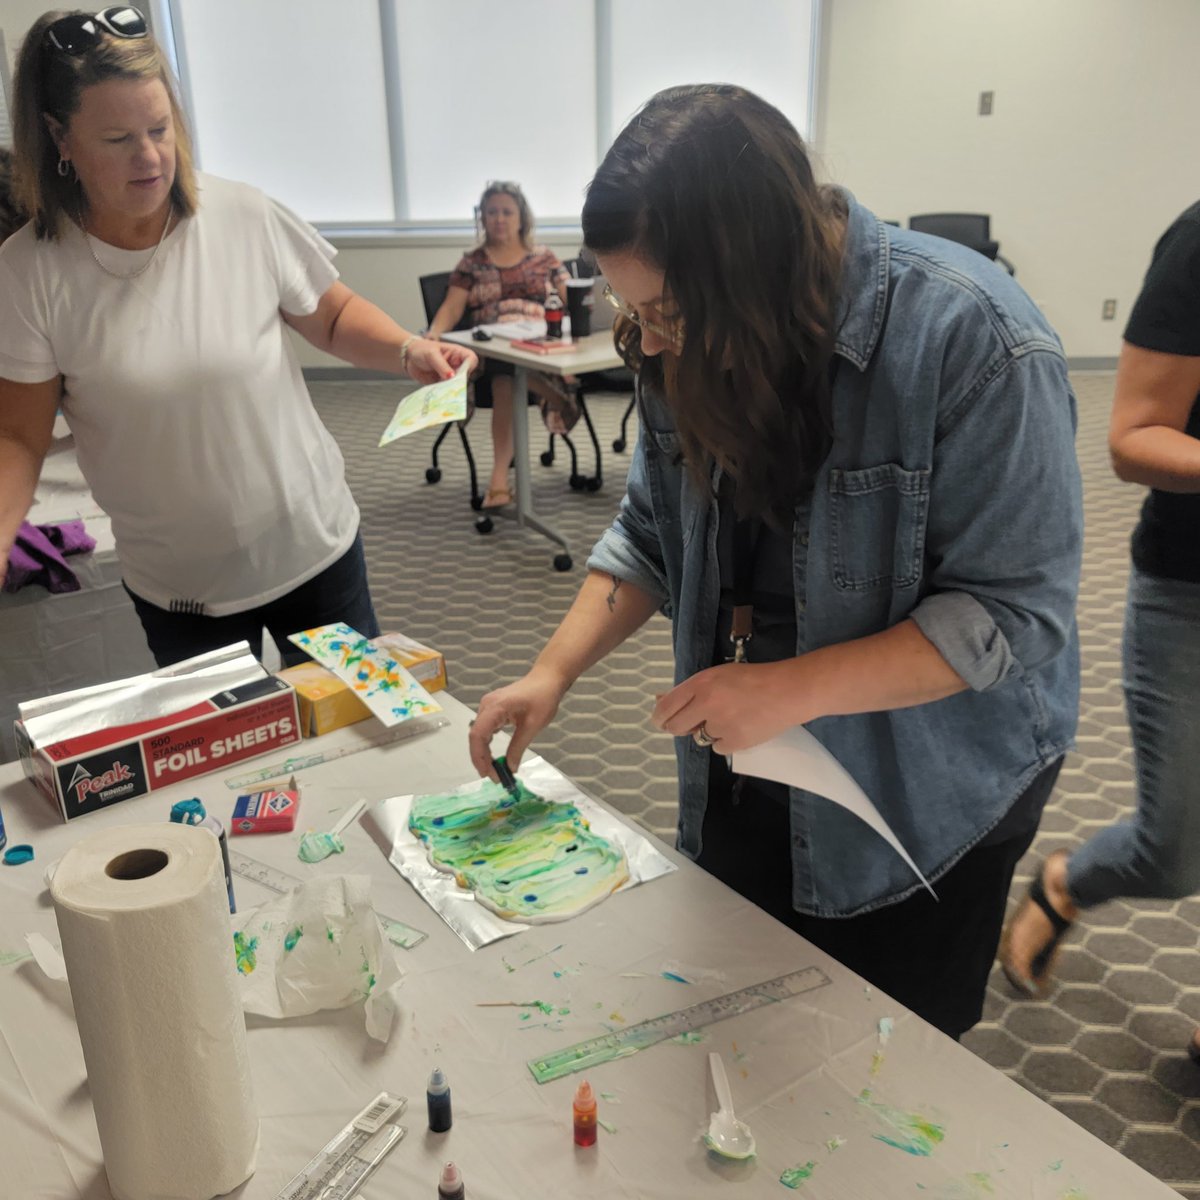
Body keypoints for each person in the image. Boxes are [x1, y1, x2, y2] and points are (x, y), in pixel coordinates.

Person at [467, 84, 1083, 1040]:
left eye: (670, 311)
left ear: (757, 268)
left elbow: (1013, 616)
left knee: (888, 1060)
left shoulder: (977, 342)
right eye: (640, 315)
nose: (656, 343)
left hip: (921, 795)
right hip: (756, 747)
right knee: (747, 1034)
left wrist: (796, 686)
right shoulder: (682, 340)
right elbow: (650, 530)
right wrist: (550, 674)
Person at [0, 8, 474, 668]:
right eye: (117, 139)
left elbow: (330, 317)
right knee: (231, 765)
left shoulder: (243, 215)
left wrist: (405, 347)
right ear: (59, 138)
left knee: (356, 744)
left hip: (314, 551)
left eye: (161, 129)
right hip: (181, 592)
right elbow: (19, 436)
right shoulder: (30, 273)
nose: (151, 157)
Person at [1000, 202, 1200, 1061]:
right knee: (1176, 850)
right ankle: (1063, 883)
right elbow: (1131, 439)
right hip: (1190, 590)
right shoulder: (1198, 244)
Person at [426, 181, 578, 508]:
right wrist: (434, 334)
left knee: (509, 373)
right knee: (503, 373)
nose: (499, 219)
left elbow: (573, 299)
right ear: (482, 218)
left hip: (541, 344)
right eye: (491, 212)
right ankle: (501, 472)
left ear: (521, 217)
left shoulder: (544, 258)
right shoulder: (472, 263)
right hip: (492, 347)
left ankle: (499, 480)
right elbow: (451, 308)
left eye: (506, 212)